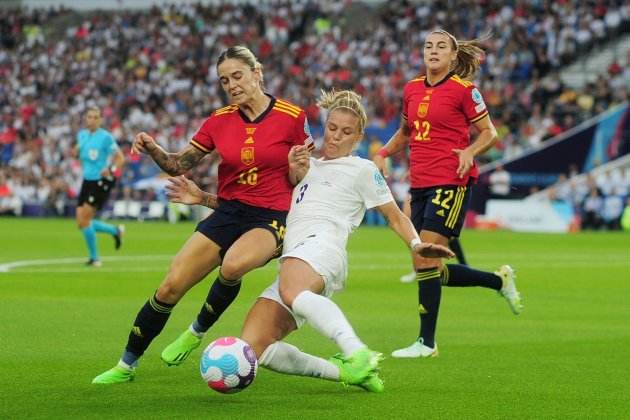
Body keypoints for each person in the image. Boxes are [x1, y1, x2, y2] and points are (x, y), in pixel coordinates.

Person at [165, 90, 455, 392]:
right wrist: (202, 198)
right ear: (323, 126)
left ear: (358, 137)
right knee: (256, 345)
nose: (336, 137)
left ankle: (356, 351)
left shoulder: (363, 170)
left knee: (291, 290)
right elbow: (252, 211)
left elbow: (395, 216)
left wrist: (415, 244)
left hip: (322, 248)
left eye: (346, 132)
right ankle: (346, 374)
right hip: (295, 258)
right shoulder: (303, 167)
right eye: (332, 128)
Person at [92, 45, 313, 384]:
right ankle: (126, 365)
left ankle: (195, 332)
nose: (232, 85)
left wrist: (299, 171)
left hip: (271, 216)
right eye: (225, 81)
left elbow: (303, 178)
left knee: (234, 264)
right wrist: (153, 148)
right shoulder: (219, 120)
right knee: (169, 286)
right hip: (227, 211)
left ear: (257, 73)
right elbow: (178, 164)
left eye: (237, 76)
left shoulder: (292, 116)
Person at [373, 29, 523, 359]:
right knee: (426, 265)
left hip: (451, 181)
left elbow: (490, 133)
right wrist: (383, 153)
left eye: (442, 46)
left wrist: (470, 151)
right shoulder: (411, 89)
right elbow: (405, 133)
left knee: (424, 258)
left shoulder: (464, 91)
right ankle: (499, 282)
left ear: (454, 56)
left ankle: (426, 343)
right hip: (421, 183)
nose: (433, 50)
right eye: (428, 45)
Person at [74, 107, 125, 267]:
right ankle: (115, 231)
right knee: (81, 221)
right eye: (89, 117)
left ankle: (95, 258)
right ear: (85, 119)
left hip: (100, 181)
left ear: (100, 120)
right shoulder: (82, 135)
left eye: (96, 117)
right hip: (87, 180)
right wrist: (75, 152)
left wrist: (110, 169)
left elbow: (120, 158)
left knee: (85, 219)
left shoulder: (105, 137)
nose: (92, 120)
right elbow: (80, 155)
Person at [399, 193, 467, 283]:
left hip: (439, 188)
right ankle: (418, 269)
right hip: (419, 186)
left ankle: (463, 265)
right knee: (412, 228)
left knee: (444, 230)